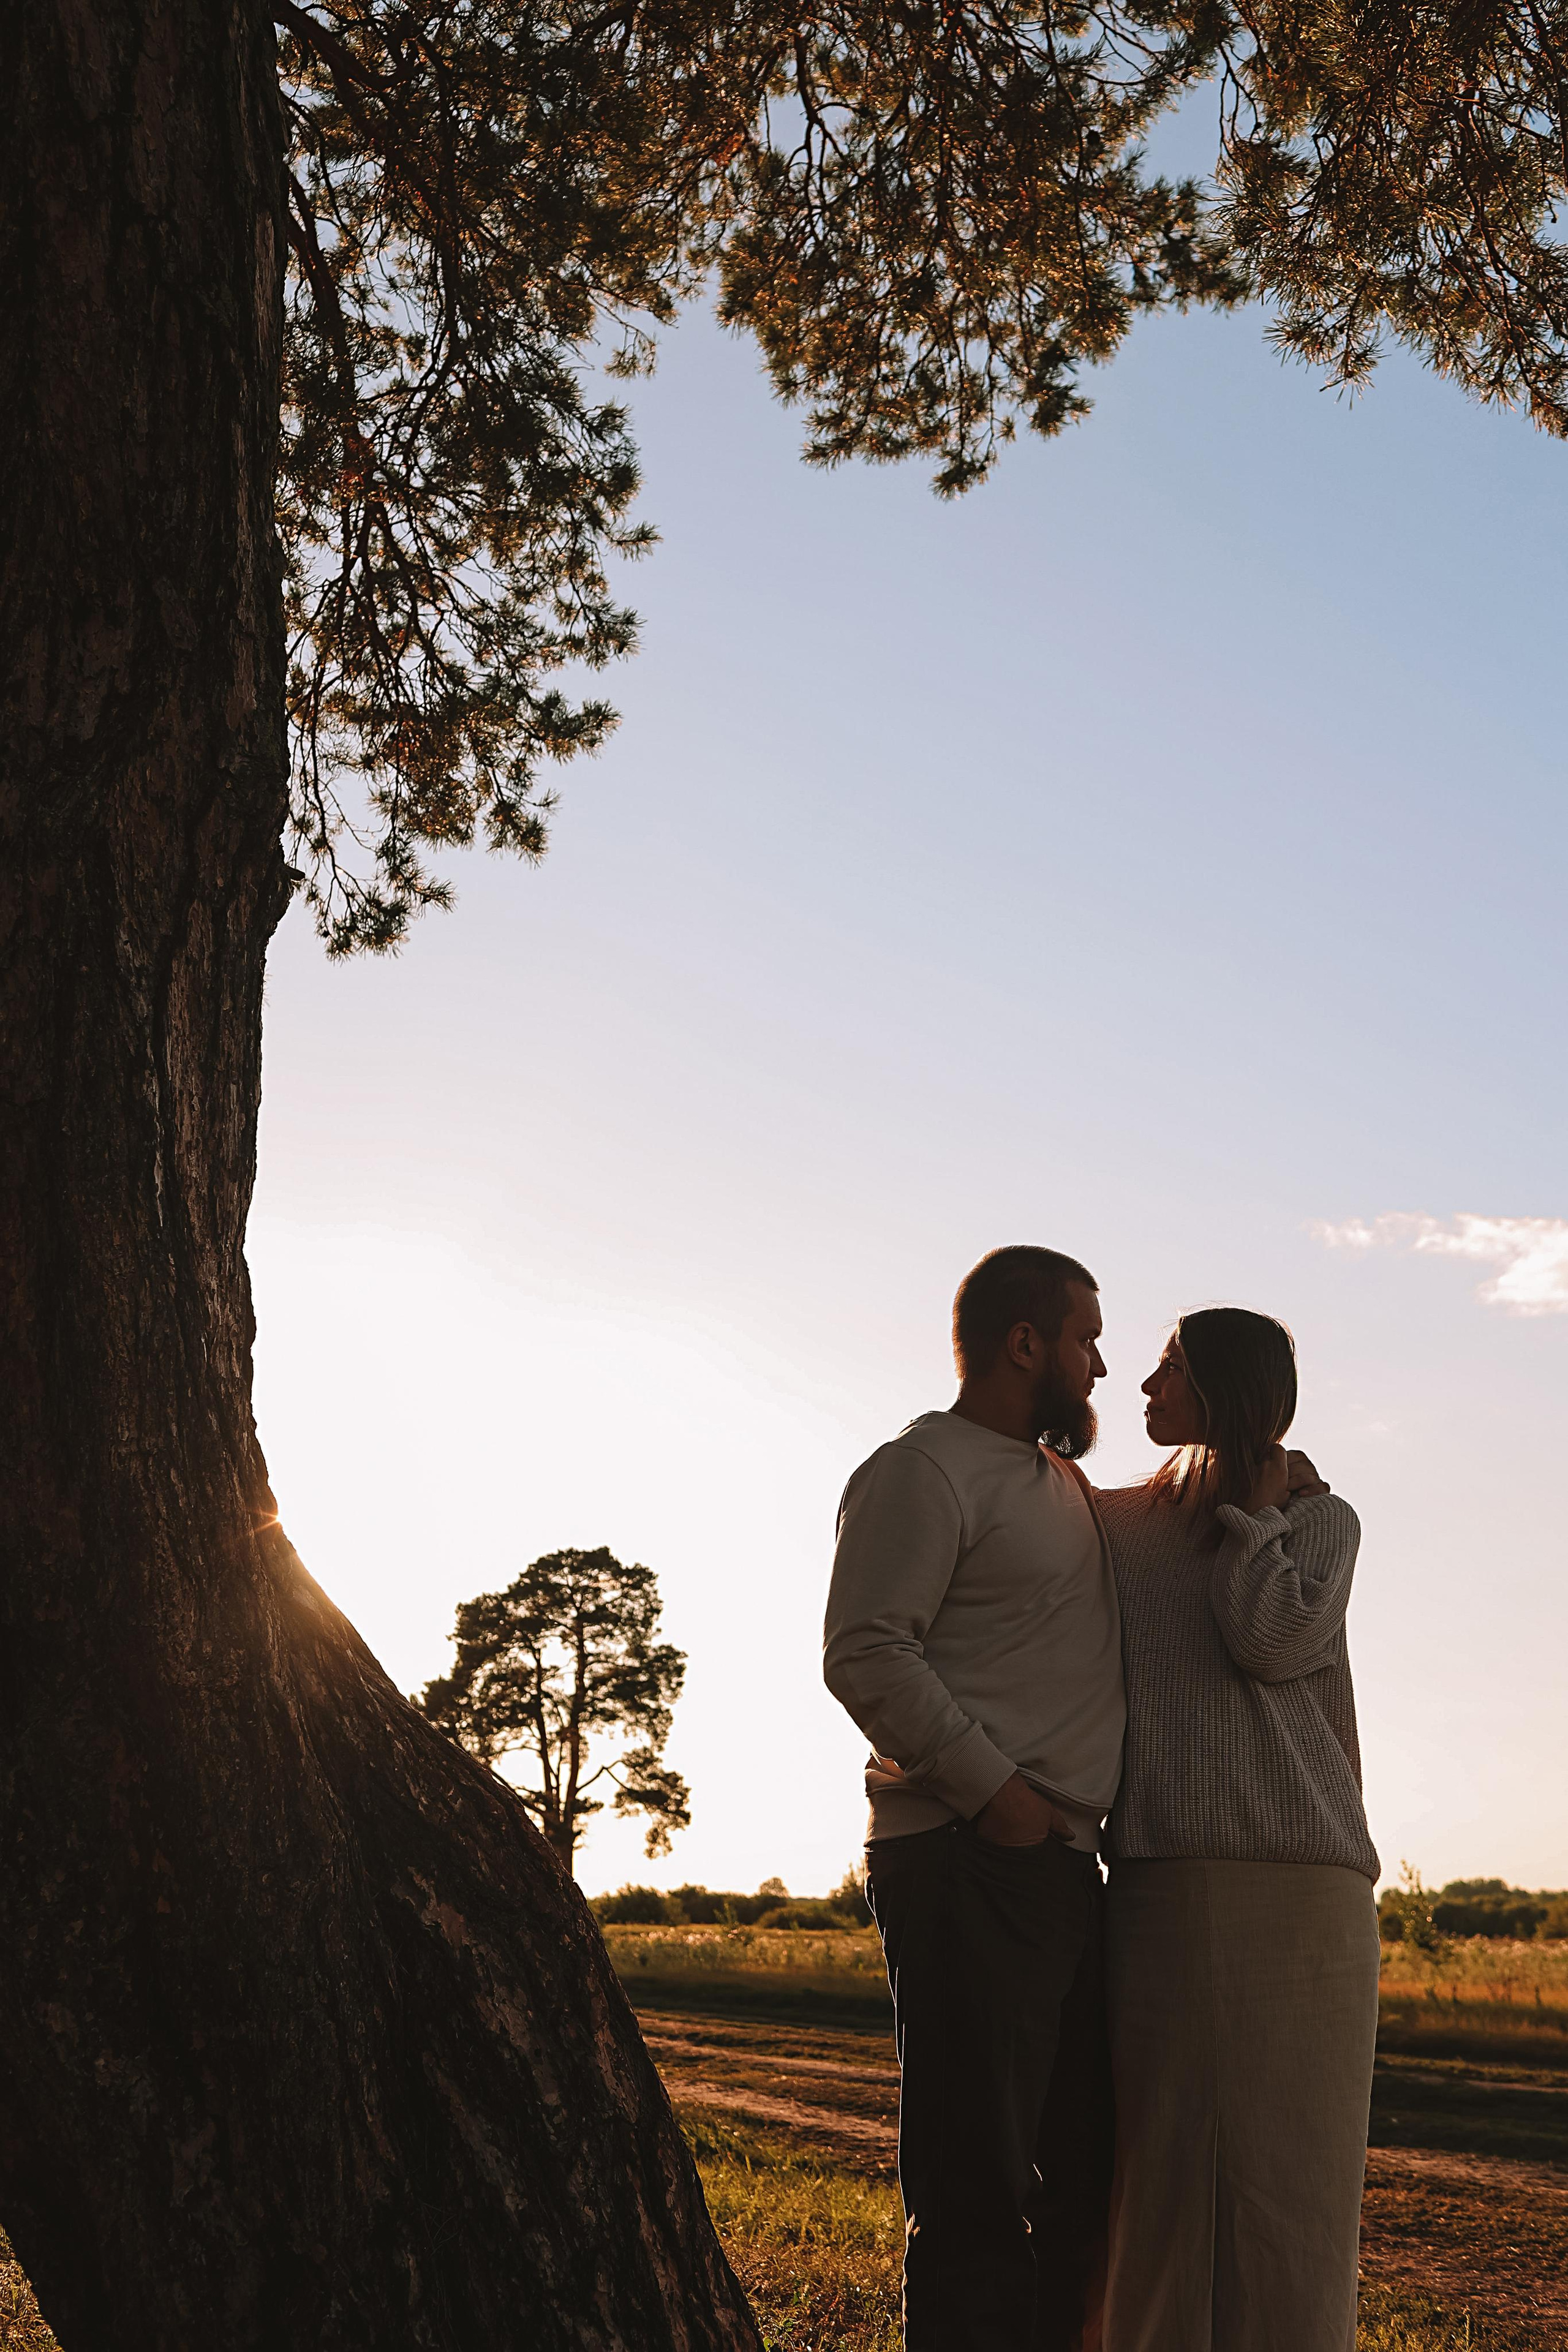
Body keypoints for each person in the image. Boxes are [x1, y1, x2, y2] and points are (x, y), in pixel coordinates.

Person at [823, 1245, 1126, 2352]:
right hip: (967, 1855)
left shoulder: (1060, 1485)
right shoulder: (922, 1469)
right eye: (1087, 1340)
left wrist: (1269, 1470)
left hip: (1059, 1869)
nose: (1101, 1368)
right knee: (977, 2196)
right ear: (1025, 1343)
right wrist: (1000, 1798)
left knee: (1085, 2179)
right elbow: (865, 1652)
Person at [1096, 1307, 1380, 2352]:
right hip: (1165, 1876)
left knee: (1296, 2198)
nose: (1144, 1386)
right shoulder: (1115, 1524)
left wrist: (1254, 1516)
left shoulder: (1321, 1521)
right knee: (1160, 2185)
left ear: (1225, 1384)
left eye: (1169, 1366)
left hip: (1308, 1892)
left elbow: (1268, 1639)